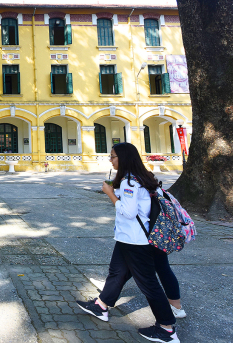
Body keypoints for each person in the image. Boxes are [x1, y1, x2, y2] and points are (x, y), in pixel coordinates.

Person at [76, 142, 180, 343]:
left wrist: (110, 194)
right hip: (127, 238)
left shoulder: (130, 182)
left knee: (148, 283)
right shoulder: (139, 178)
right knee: (117, 272)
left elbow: (129, 212)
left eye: (113, 156)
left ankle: (167, 328)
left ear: (122, 158)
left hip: (135, 240)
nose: (110, 159)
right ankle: (101, 305)